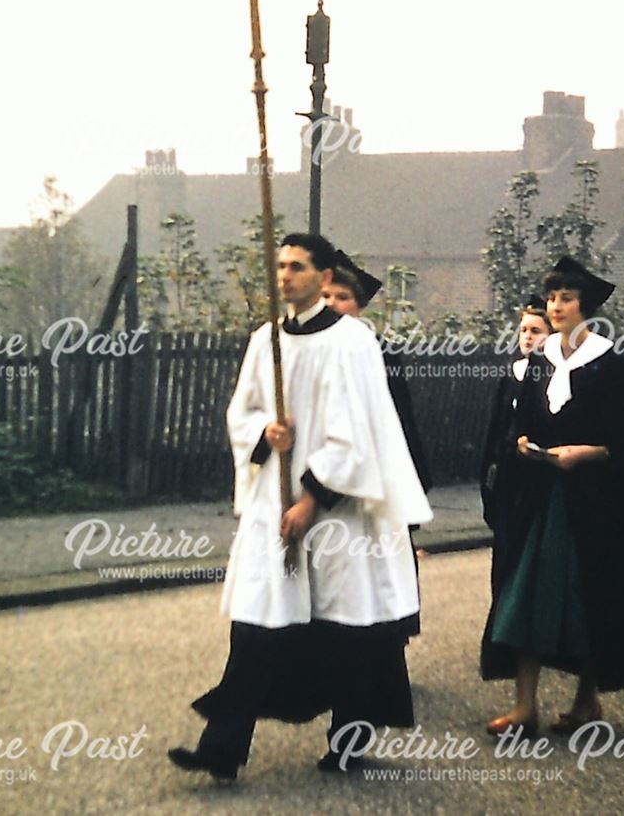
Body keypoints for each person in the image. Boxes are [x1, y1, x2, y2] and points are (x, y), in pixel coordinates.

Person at [168, 233, 432, 780]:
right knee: (258, 621)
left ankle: (347, 743)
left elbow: (356, 431)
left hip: (341, 509)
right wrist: (266, 433)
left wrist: (313, 499)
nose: (284, 275)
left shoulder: (350, 340)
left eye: (297, 266)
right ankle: (222, 747)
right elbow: (241, 413)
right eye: (279, 265)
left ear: (325, 276)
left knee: (348, 629)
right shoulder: (265, 340)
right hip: (274, 502)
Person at [481, 256, 624, 736]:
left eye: (565, 298)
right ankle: (524, 705)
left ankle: (587, 702)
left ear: (587, 306)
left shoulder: (612, 369)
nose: (555, 306)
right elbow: (522, 424)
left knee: (586, 601)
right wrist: (521, 443)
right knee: (522, 598)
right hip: (539, 500)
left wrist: (590, 452)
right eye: (552, 297)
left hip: (593, 506)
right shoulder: (539, 364)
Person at [479, 296, 552, 678]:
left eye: (535, 330)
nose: (527, 337)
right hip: (508, 476)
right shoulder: (512, 374)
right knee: (504, 555)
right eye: (523, 330)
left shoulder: (552, 376)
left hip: (536, 476)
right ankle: (503, 632)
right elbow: (494, 429)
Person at [322, 253, 433, 493]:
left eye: (342, 297)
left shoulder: (378, 351)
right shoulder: (307, 348)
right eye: (325, 296)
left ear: (358, 308)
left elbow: (397, 415)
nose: (331, 303)